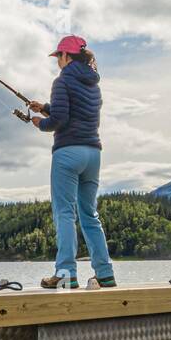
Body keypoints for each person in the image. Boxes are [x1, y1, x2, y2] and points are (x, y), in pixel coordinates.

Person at [29, 35, 116, 289]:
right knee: (90, 215)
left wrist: (40, 123)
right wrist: (45, 106)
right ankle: (105, 274)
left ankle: (66, 273)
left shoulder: (62, 81)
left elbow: (59, 120)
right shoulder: (92, 84)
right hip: (93, 153)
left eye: (58, 56)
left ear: (66, 57)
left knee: (64, 213)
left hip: (68, 152)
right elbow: (74, 111)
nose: (57, 61)